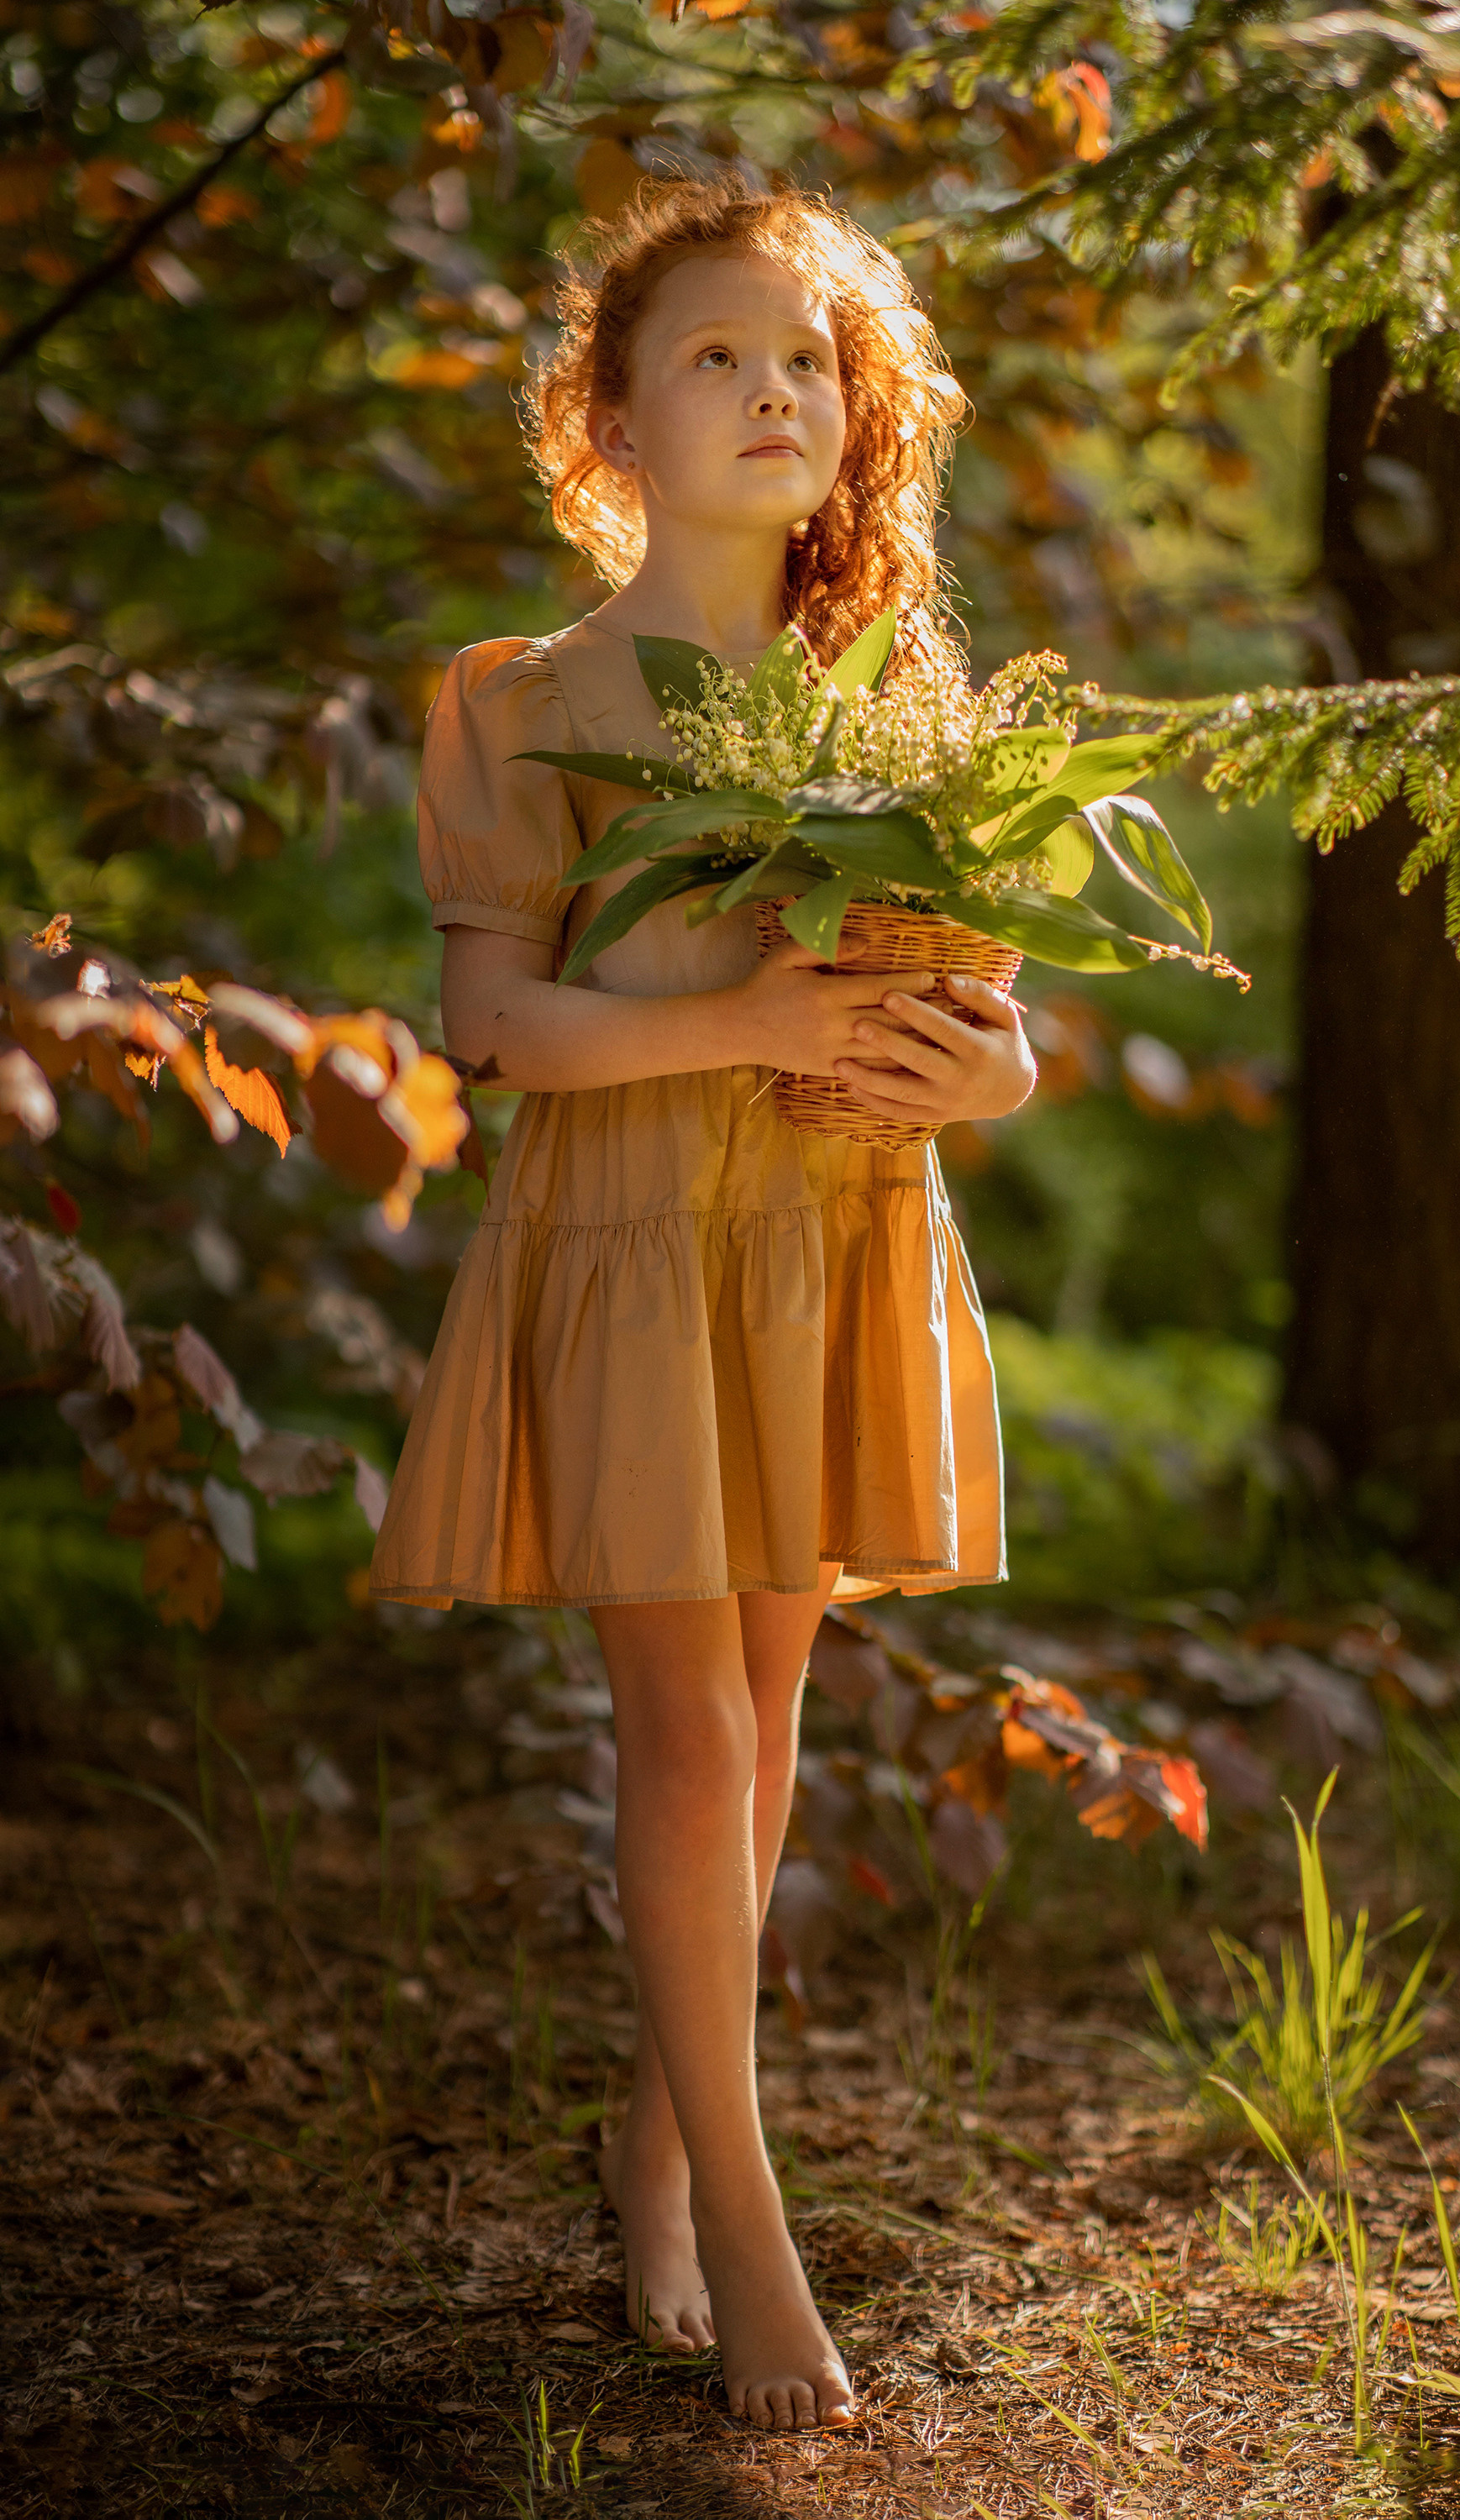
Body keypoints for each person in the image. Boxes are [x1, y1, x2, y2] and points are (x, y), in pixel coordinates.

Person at [370, 177, 1035, 2432]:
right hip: (641, 1254)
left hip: (833, 1241)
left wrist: (990, 1059)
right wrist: (749, 1013)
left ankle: (658, 2138)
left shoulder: (904, 695)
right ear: (615, 420)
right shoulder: (526, 699)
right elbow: (509, 1036)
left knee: (764, 1737)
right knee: (692, 1736)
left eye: (811, 360)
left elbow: (997, 1026)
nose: (774, 389)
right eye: (716, 356)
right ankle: (747, 2233)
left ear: (862, 422)